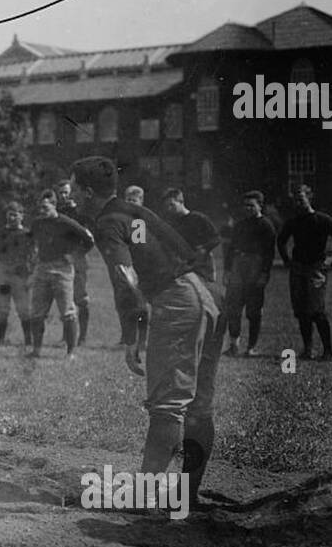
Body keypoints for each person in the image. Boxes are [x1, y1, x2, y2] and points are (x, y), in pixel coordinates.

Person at [71, 156, 222, 497]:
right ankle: (187, 495)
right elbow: (185, 249)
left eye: (75, 189)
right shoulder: (133, 211)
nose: (72, 197)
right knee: (197, 406)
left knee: (167, 406)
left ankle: (144, 497)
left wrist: (132, 335)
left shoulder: (108, 222)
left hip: (178, 302)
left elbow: (126, 281)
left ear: (88, 191)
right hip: (205, 295)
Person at [276, 184, 332, 361]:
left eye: (301, 199)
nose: (298, 203)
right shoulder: (293, 222)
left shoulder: (323, 220)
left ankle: (328, 351)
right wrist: (287, 262)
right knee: (301, 311)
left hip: (316, 269)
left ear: (310, 198)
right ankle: (307, 349)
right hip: (298, 269)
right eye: (295, 200)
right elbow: (281, 241)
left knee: (317, 311)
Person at [28, 191, 95, 359]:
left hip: (62, 270)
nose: (42, 211)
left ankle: (70, 352)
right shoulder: (37, 223)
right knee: (36, 312)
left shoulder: (66, 223)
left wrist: (74, 255)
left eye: (45, 207)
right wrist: (35, 255)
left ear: (54, 205)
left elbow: (89, 239)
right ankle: (36, 350)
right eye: (40, 208)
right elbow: (31, 240)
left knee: (67, 312)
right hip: (42, 269)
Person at [222, 191, 278, 356]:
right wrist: (227, 270)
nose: (248, 209)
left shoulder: (266, 225)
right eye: (245, 205)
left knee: (253, 310)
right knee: (233, 308)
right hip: (239, 266)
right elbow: (230, 249)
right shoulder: (240, 225)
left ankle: (251, 347)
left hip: (256, 266)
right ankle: (233, 345)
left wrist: (264, 274)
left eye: (251, 205)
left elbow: (269, 253)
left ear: (260, 206)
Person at [0, 201, 34, 348]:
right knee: (2, 307)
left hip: (20, 274)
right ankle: (1, 338)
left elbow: (33, 256)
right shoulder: (0, 233)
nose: (12, 218)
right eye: (9, 215)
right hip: (4, 273)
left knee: (24, 308)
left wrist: (31, 275)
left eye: (15, 215)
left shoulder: (27, 234)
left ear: (22, 216)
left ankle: (28, 340)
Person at [54, 180, 93, 344]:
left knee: (80, 298)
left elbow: (90, 238)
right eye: (61, 192)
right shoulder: (57, 212)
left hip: (77, 258)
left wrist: (78, 253)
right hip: (61, 259)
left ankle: (82, 337)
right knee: (64, 298)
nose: (64, 195)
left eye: (66, 192)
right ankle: (66, 336)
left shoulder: (82, 212)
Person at [159, 188, 221, 282]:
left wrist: (204, 249)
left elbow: (216, 238)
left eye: (172, 205)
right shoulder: (172, 223)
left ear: (181, 202)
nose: (169, 209)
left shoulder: (198, 218)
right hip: (183, 267)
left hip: (202, 266)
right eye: (166, 206)